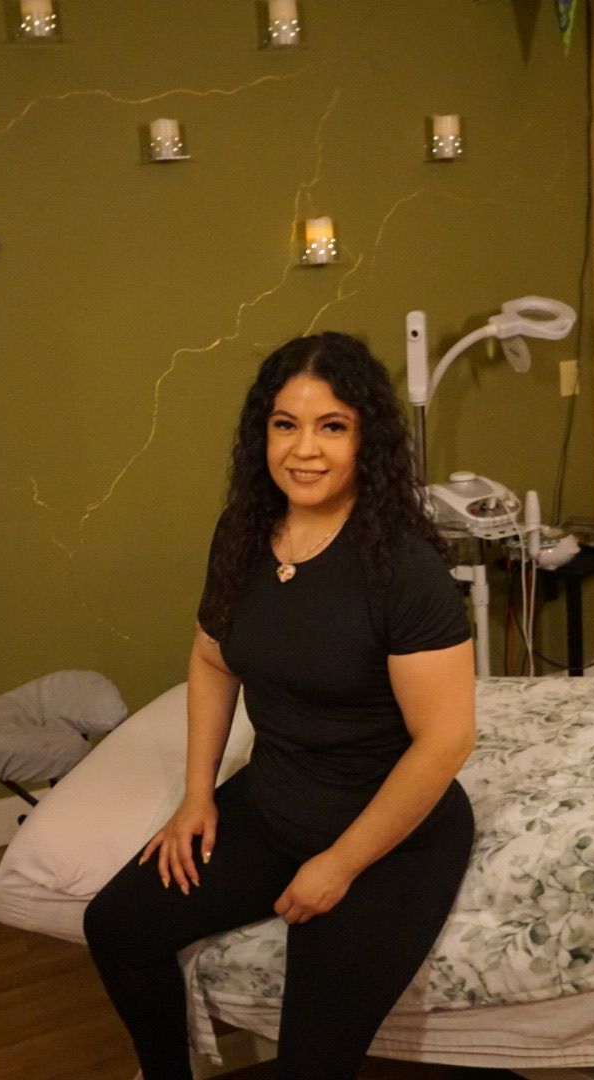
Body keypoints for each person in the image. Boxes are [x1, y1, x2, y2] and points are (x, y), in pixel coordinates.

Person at [83, 332, 477, 1079]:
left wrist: (338, 865)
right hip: (274, 804)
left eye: (332, 426)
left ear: (367, 439)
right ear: (261, 432)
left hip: (391, 840)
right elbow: (210, 656)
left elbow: (447, 740)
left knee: (309, 1065)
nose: (306, 449)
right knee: (117, 924)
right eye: (285, 424)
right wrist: (197, 796)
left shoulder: (402, 568)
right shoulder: (243, 534)